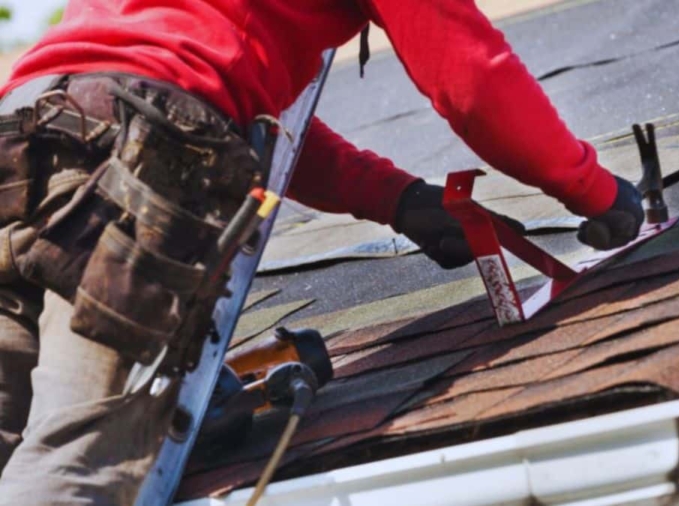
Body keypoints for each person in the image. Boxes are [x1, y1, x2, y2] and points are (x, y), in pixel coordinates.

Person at [0, 0, 644, 504]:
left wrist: (398, 199)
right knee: (80, 462)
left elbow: (219, 104)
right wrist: (592, 188)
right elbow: (471, 80)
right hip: (144, 162)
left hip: (24, 141)